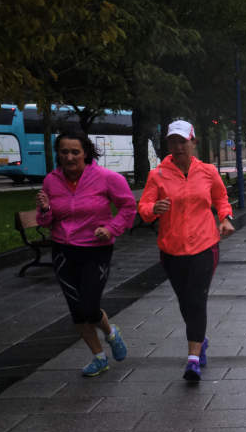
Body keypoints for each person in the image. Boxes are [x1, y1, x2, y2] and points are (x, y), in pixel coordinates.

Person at [138, 120, 234, 382]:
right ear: (168, 144)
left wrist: (225, 218)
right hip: (171, 249)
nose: (179, 146)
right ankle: (200, 341)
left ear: (193, 142)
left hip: (204, 245)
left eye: (183, 141)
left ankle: (192, 360)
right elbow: (144, 207)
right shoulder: (157, 175)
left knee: (197, 298)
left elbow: (220, 198)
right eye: (173, 142)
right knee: (185, 301)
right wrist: (152, 210)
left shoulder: (208, 172)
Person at [36, 130, 136, 377]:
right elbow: (45, 220)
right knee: (76, 309)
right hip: (63, 251)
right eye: (64, 152)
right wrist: (46, 210)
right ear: (58, 154)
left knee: (90, 307)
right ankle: (99, 357)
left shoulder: (106, 178)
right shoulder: (51, 181)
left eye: (75, 152)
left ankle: (111, 334)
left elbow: (128, 206)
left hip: (95, 250)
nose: (69, 157)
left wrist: (111, 228)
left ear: (86, 153)